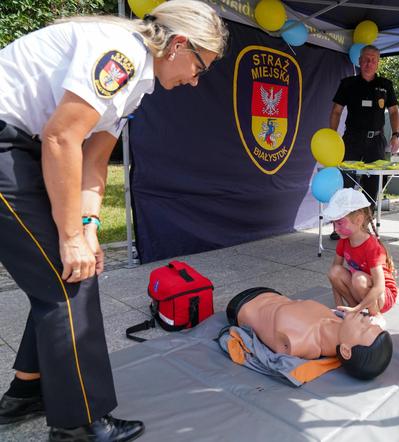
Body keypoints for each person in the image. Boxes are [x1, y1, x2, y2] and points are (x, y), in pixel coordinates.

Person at [0, 1, 228, 440]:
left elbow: (94, 158)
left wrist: (86, 227)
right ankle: (79, 425)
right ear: (179, 44)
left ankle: (28, 390)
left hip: (25, 147)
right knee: (71, 280)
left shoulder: (139, 84)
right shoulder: (119, 54)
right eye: (200, 67)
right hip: (11, 144)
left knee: (65, 270)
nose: (196, 80)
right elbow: (62, 135)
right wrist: (68, 237)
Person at [226, 287, 393, 380]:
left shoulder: (297, 343)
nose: (366, 320)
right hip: (271, 292)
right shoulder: (337, 320)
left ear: (346, 350)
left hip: (241, 304)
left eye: (363, 329)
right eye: (371, 323)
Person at [328, 45, 399, 240]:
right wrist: (332, 137)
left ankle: (364, 225)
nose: (369, 63)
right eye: (366, 59)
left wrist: (396, 134)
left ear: (378, 63)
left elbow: (394, 112)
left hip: (376, 141)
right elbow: (336, 111)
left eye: (373, 60)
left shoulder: (386, 84)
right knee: (345, 182)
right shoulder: (348, 83)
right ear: (359, 61)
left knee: (373, 184)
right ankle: (339, 226)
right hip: (351, 139)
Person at [324, 188, 398, 326]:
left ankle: (376, 315)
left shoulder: (372, 247)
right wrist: (338, 307)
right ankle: (353, 313)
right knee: (334, 271)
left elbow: (380, 286)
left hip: (383, 296)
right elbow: (334, 276)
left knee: (358, 278)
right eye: (334, 223)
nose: (335, 229)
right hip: (362, 288)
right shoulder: (344, 240)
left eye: (339, 223)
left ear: (358, 220)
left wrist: (359, 307)